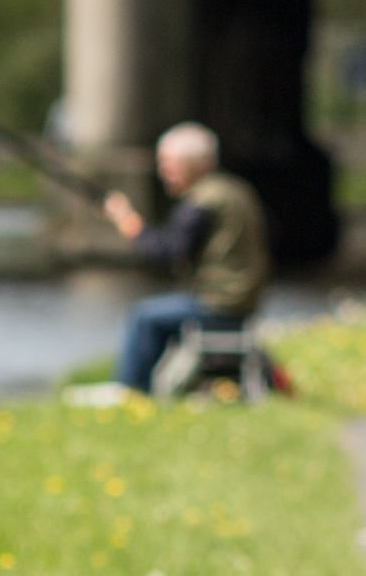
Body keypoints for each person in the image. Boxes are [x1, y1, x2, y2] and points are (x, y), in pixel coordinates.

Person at [104, 123, 272, 394]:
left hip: (219, 305)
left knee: (143, 318)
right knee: (159, 314)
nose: (163, 173)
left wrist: (129, 223)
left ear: (193, 164)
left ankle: (129, 392)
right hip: (243, 302)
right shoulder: (235, 190)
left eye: (168, 164)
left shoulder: (202, 202)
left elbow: (165, 254)